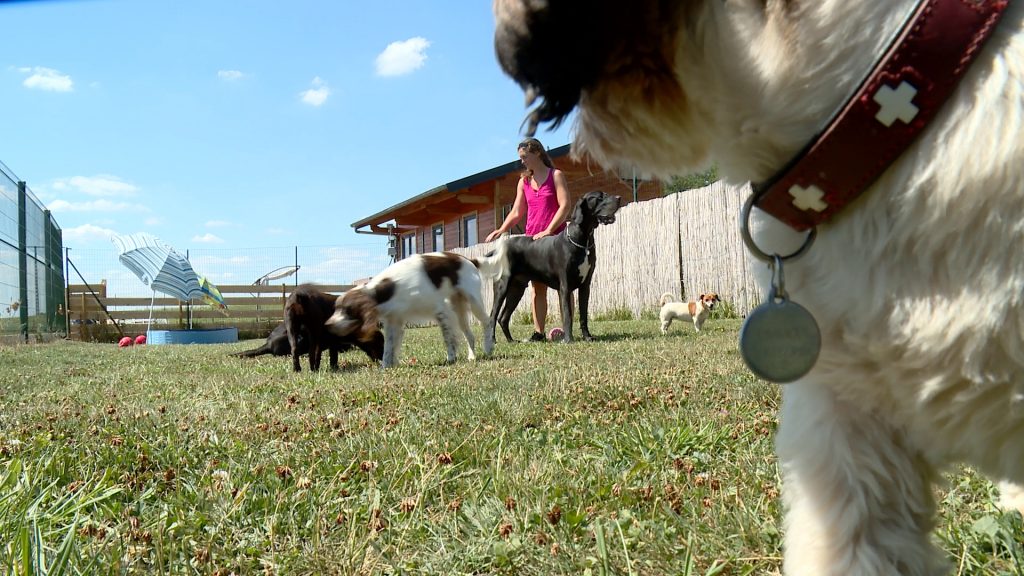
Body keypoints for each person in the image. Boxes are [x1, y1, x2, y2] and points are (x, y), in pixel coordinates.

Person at [485, 138, 571, 342]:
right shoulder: (523, 182)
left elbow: (565, 206)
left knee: (564, 286)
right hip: (533, 241)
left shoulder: (556, 175)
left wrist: (549, 230)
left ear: (537, 153)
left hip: (556, 240)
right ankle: (539, 333)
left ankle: (568, 331)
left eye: (524, 157)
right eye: (520, 158)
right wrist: (501, 229)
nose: (522, 161)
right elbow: (517, 211)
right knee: (537, 288)